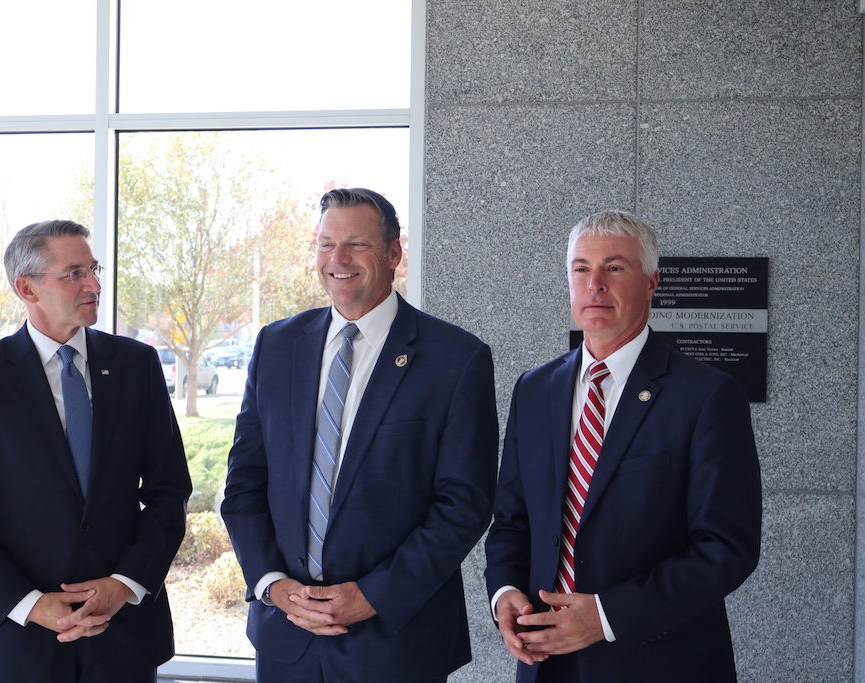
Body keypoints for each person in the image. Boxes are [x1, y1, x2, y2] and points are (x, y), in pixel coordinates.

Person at [221, 188, 499, 682]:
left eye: (356, 245)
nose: (338, 260)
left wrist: (374, 596)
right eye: (326, 245)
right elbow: (244, 483)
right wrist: (271, 584)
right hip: (288, 636)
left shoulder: (455, 358)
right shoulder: (276, 345)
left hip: (396, 641)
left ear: (394, 254)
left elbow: (464, 504)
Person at [484, 210, 762, 682]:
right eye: (580, 269)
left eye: (614, 268)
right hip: (546, 662)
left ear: (652, 282)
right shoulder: (534, 389)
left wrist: (607, 616)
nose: (595, 284)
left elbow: (726, 547)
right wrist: (505, 592)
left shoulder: (707, 395)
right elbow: (512, 519)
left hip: (659, 662)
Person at [0, 219, 192, 683]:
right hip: (17, 645)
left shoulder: (137, 366)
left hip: (123, 639)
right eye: (74, 273)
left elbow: (168, 492)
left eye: (93, 269)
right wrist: (32, 605)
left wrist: (125, 584)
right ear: (27, 288)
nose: (93, 284)